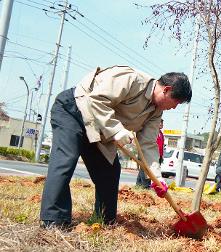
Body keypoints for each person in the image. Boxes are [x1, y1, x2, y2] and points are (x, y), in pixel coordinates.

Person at [40, 66, 192, 228]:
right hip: (74, 110)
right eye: (176, 102)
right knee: (65, 160)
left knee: (110, 171)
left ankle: (105, 219)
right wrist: (117, 130)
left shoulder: (155, 112)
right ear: (166, 90)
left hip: (99, 128)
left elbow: (148, 144)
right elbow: (96, 99)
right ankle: (54, 220)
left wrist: (156, 177)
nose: (174, 108)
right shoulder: (132, 80)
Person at [136, 119, 164, 188]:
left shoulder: (161, 134)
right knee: (146, 170)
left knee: (143, 170)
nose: (161, 124)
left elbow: (161, 146)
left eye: (162, 123)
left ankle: (138, 184)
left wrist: (161, 156)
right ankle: (146, 185)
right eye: (160, 123)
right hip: (149, 155)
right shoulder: (151, 132)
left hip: (158, 155)